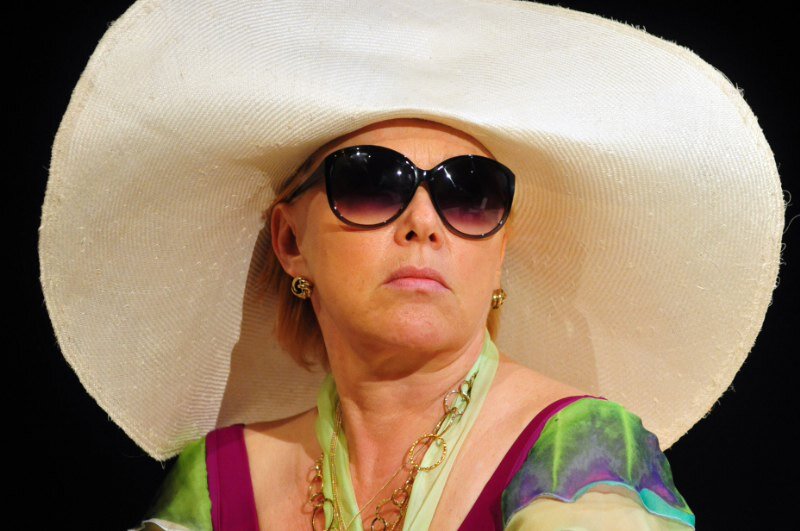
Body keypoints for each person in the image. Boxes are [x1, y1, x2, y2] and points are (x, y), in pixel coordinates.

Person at [38, 1, 784, 529]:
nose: (424, 222)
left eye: (470, 195)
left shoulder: (579, 454)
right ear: (290, 240)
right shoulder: (218, 481)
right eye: (372, 183)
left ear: (500, 251)